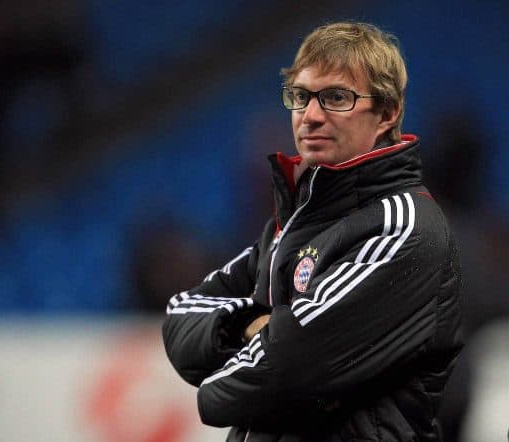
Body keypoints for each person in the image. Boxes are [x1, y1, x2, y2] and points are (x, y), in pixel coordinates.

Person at [162, 21, 463, 441]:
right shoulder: (290, 226)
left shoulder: (405, 227)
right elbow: (180, 317)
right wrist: (253, 325)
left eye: (336, 97)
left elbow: (280, 369)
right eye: (301, 96)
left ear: (387, 113)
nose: (311, 116)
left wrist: (227, 365)